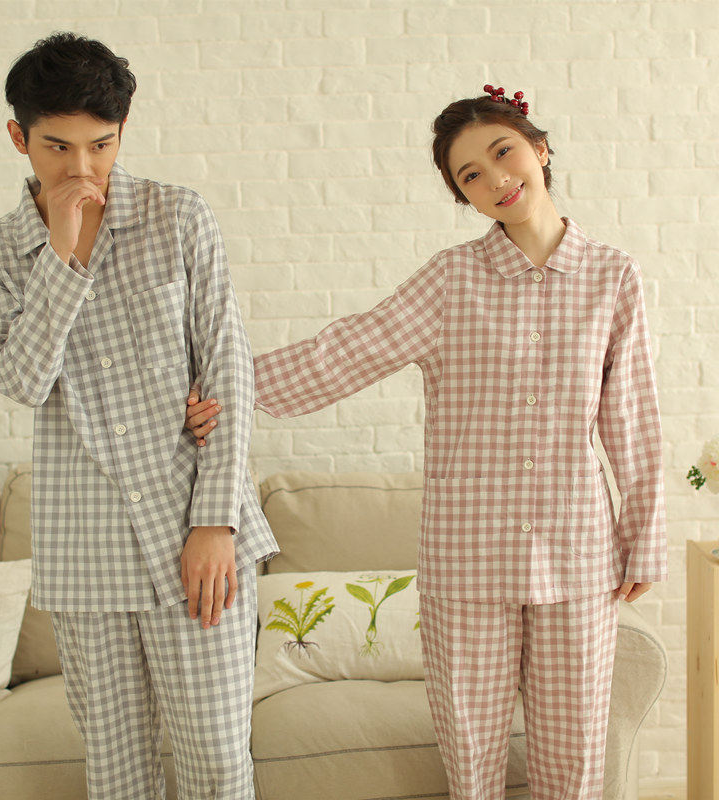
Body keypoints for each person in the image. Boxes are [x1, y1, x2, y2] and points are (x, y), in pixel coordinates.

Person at [185, 85, 667, 799]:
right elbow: (350, 348)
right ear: (462, 194)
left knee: (573, 766)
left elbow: (632, 416)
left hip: (578, 553)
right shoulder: (451, 280)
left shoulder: (612, 276)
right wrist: (232, 391)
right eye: (471, 174)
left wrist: (644, 535)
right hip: (467, 556)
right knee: (471, 765)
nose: (496, 178)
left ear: (539, 149)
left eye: (503, 152)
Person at [0, 31, 278, 800]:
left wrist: (214, 522)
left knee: (216, 762)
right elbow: (24, 380)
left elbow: (227, 369)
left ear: (122, 131)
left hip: (196, 533)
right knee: (118, 772)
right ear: (19, 139)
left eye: (100, 146)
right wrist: (61, 257)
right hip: (85, 549)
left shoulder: (177, 217)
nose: (81, 169)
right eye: (57, 148)